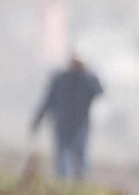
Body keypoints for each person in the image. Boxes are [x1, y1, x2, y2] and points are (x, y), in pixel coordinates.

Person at [32, 54, 105, 182]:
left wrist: (85, 73)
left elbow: (99, 91)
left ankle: (80, 183)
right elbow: (48, 100)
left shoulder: (86, 80)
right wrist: (38, 119)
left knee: (80, 157)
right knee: (62, 157)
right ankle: (62, 184)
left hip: (80, 125)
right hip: (62, 124)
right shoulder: (60, 79)